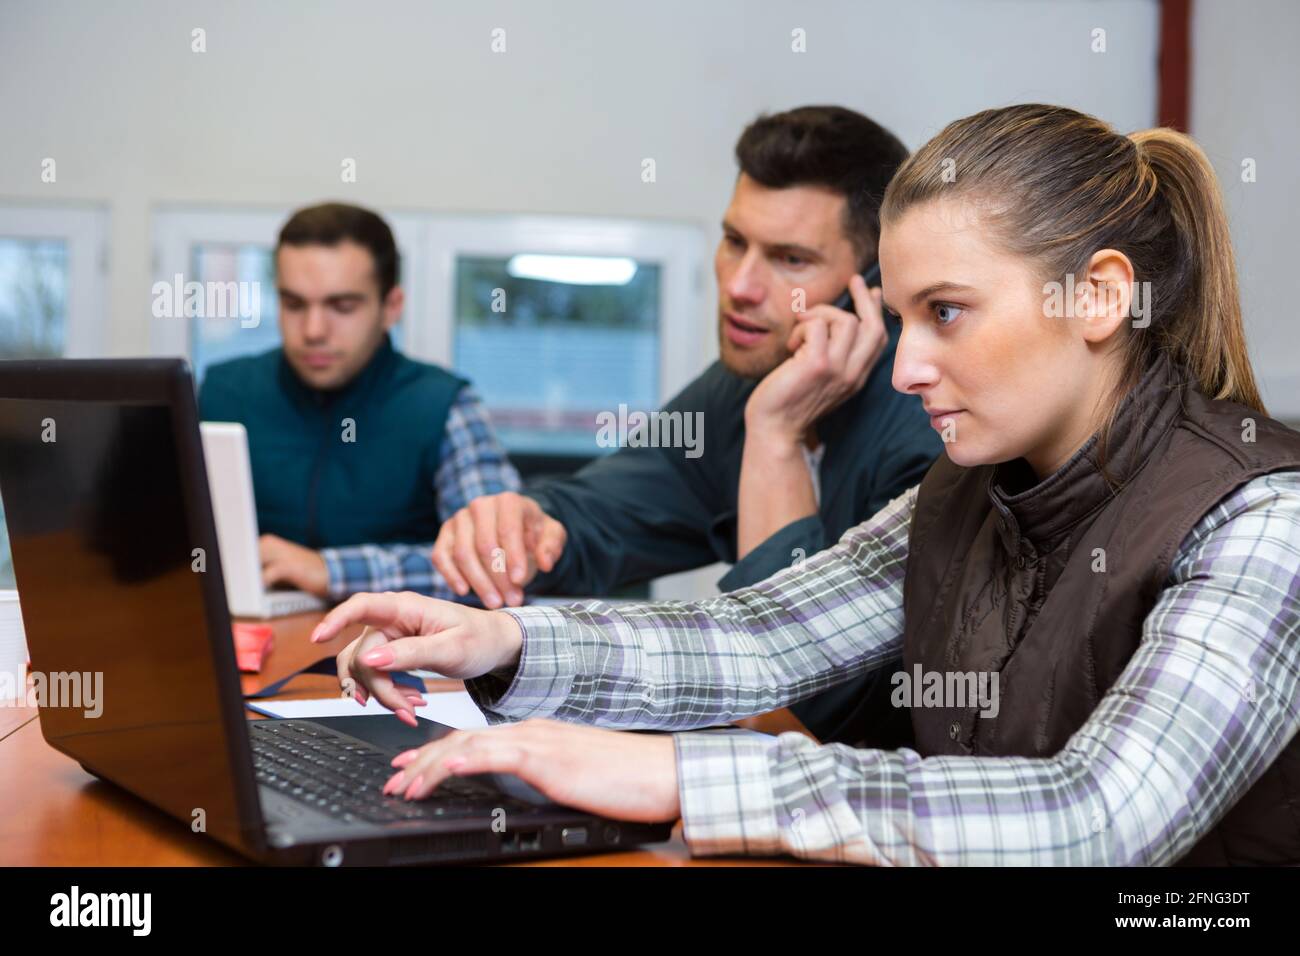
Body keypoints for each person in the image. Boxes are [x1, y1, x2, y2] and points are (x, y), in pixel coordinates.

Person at [309, 104, 1300, 866]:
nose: (905, 368)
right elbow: (759, 634)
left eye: (946, 312)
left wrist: (676, 773)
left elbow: (1100, 819)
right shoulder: (969, 490)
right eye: (902, 317)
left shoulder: (1263, 518)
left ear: (1097, 296)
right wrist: (506, 639)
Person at [430, 106, 943, 747]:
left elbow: (811, 690)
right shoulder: (740, 384)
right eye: (735, 243)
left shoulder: (932, 425)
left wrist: (775, 438)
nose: (742, 286)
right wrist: (532, 519)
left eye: (790, 259)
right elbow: (606, 507)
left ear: (873, 287)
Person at [199, 202, 519, 602]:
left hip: (397, 654)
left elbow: (499, 565)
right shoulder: (224, 391)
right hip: (250, 649)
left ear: (391, 308)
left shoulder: (443, 406)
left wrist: (331, 571)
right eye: (294, 304)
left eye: (343, 306)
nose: (313, 331)